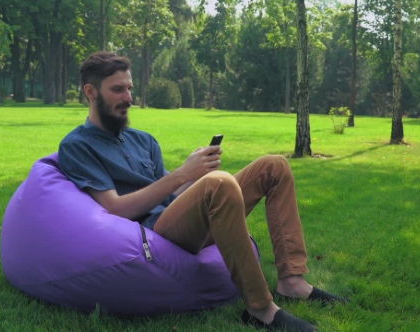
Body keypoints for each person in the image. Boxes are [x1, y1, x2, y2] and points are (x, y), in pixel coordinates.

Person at [58, 51, 348, 332]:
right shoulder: (77, 145)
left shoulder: (143, 140)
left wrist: (195, 174)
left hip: (177, 218)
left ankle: (292, 282)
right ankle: (260, 309)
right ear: (90, 91)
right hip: (152, 235)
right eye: (118, 90)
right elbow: (115, 209)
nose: (129, 99)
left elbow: (169, 194)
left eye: (130, 89)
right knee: (219, 183)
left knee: (274, 166)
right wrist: (184, 175)